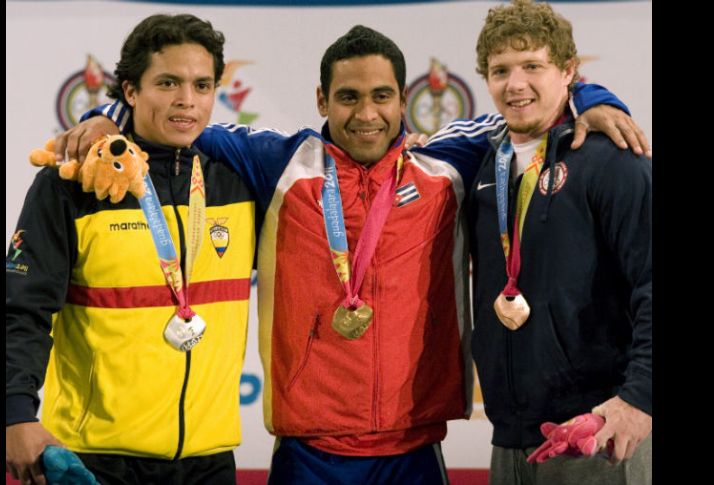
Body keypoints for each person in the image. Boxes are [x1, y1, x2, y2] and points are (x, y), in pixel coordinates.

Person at [58, 24, 647, 484]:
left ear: (404, 99)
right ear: (322, 97)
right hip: (310, 455)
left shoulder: (449, 161)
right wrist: (99, 116)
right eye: (348, 96)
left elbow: (531, 107)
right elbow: (176, 123)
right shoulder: (280, 162)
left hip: (415, 449)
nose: (367, 114)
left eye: (382, 96)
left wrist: (592, 96)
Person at [5, 14, 258, 485]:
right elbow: (22, 309)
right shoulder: (74, 183)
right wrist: (15, 413)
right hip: (94, 460)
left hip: (210, 462)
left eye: (202, 85)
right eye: (168, 83)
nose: (187, 101)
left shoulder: (239, 180)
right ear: (129, 92)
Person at [450, 1, 651, 483]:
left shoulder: (616, 163)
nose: (515, 84)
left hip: (598, 435)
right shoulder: (483, 169)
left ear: (569, 73)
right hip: (511, 439)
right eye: (500, 70)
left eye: (532, 66)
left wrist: (640, 401)